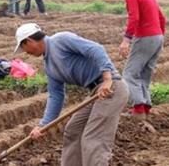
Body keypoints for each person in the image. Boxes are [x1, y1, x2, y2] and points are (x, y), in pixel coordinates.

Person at [14, 23, 129, 166]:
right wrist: (43, 125)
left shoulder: (61, 40)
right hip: (95, 91)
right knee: (73, 130)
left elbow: (96, 49)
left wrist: (107, 78)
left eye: (23, 48)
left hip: (111, 88)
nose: (25, 53)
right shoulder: (49, 65)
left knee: (93, 137)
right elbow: (56, 96)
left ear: (29, 41)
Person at [104, 0, 166, 119]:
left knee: (129, 74)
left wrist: (126, 40)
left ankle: (138, 109)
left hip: (145, 36)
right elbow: (161, 17)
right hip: (157, 36)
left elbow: (134, 18)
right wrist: (159, 36)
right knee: (145, 73)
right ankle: (145, 107)